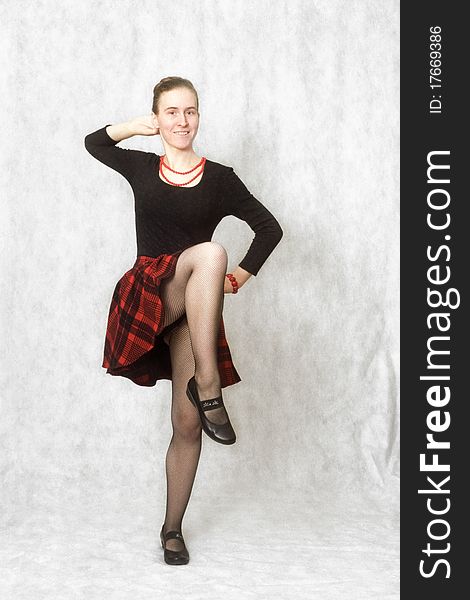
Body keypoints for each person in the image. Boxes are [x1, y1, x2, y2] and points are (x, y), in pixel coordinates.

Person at [84, 76, 283, 565]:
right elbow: (93, 143)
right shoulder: (142, 166)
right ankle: (209, 383)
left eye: (190, 111)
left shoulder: (219, 178)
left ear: (199, 116)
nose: (181, 121)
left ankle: (172, 530)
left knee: (187, 423)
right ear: (159, 117)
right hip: (148, 290)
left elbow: (269, 228)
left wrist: (240, 275)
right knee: (211, 250)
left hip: (192, 311)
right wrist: (136, 127)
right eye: (171, 112)